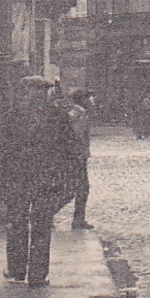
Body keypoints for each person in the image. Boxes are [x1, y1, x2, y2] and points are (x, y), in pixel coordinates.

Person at [0, 76, 79, 288]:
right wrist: (69, 178)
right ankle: (37, 274)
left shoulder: (16, 115)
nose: (36, 95)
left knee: (19, 223)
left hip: (20, 179)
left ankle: (17, 270)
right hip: (43, 180)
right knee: (40, 225)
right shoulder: (57, 116)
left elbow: (0, 148)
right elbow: (70, 150)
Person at [65, 89, 95, 230]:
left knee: (81, 188)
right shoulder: (78, 114)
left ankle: (79, 219)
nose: (92, 101)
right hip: (76, 157)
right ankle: (78, 220)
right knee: (80, 188)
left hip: (77, 156)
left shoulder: (79, 113)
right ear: (83, 99)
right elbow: (75, 134)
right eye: (89, 98)